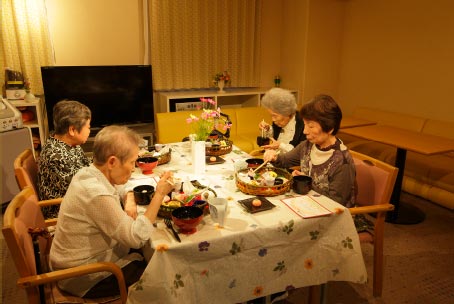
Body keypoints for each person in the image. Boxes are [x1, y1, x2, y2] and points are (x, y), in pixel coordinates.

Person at [49, 125, 174, 298]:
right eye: (132, 162)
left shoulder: (88, 172)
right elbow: (136, 238)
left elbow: (120, 188)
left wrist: (129, 199)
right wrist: (159, 194)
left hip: (82, 261)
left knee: (151, 253)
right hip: (83, 276)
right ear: (113, 162)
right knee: (163, 270)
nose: (133, 168)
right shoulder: (96, 194)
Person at [263, 94, 356, 207]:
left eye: (311, 126)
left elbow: (336, 202)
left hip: (334, 216)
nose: (305, 131)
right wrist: (273, 156)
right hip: (307, 204)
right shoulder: (308, 145)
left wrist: (307, 183)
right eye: (305, 124)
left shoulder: (341, 161)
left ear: (330, 128)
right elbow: (285, 160)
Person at [37, 100, 91, 219]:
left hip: (77, 201)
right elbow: (81, 189)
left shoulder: (70, 144)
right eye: (88, 127)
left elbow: (87, 165)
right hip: (65, 213)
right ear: (72, 130)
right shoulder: (56, 156)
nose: (89, 131)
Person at [258, 88, 306, 153]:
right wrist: (267, 129)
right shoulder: (280, 122)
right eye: (271, 115)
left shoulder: (303, 125)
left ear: (287, 112)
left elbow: (299, 153)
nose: (273, 119)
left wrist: (280, 145)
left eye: (274, 115)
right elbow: (276, 135)